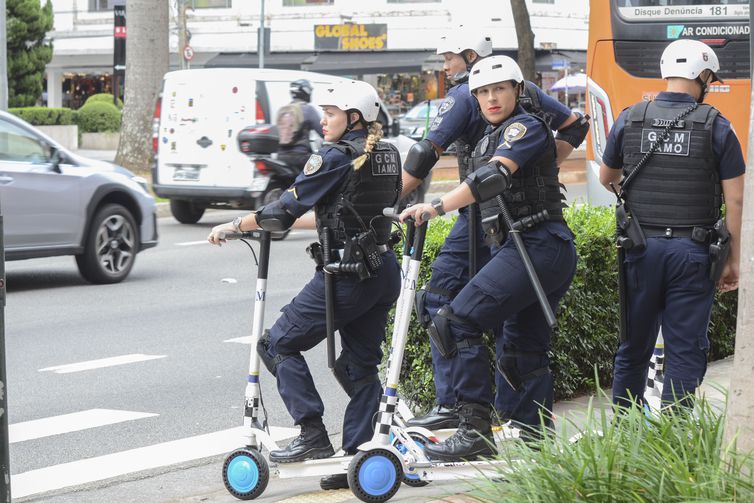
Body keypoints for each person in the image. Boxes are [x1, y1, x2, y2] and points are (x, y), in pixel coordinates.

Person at [208, 80, 402, 490]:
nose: (323, 120)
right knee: (358, 365)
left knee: (276, 343)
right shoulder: (387, 152)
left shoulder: (334, 155)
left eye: (331, 114)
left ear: (353, 118)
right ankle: (357, 457)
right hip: (382, 269)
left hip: (347, 273)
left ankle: (312, 435)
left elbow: (286, 207)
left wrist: (234, 225)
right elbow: (350, 211)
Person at [402, 27, 589, 430]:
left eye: (499, 90)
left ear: (517, 90)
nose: (490, 98)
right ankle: (533, 439)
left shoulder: (525, 127)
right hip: (514, 239)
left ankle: (471, 427)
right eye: (483, 93)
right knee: (521, 348)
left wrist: (434, 206)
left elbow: (489, 178)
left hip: (536, 241)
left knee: (455, 321)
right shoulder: (495, 131)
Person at [599, 39, 744, 409]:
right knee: (684, 347)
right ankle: (675, 436)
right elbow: (736, 200)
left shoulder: (630, 117)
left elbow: (606, 177)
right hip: (693, 253)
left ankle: (624, 429)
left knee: (633, 344)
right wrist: (733, 258)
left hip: (640, 250)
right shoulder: (718, 127)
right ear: (704, 76)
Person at [275, 79, 324, 173]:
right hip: (300, 156)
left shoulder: (283, 110)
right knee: (324, 167)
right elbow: (323, 131)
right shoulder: (308, 109)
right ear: (307, 92)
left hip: (280, 156)